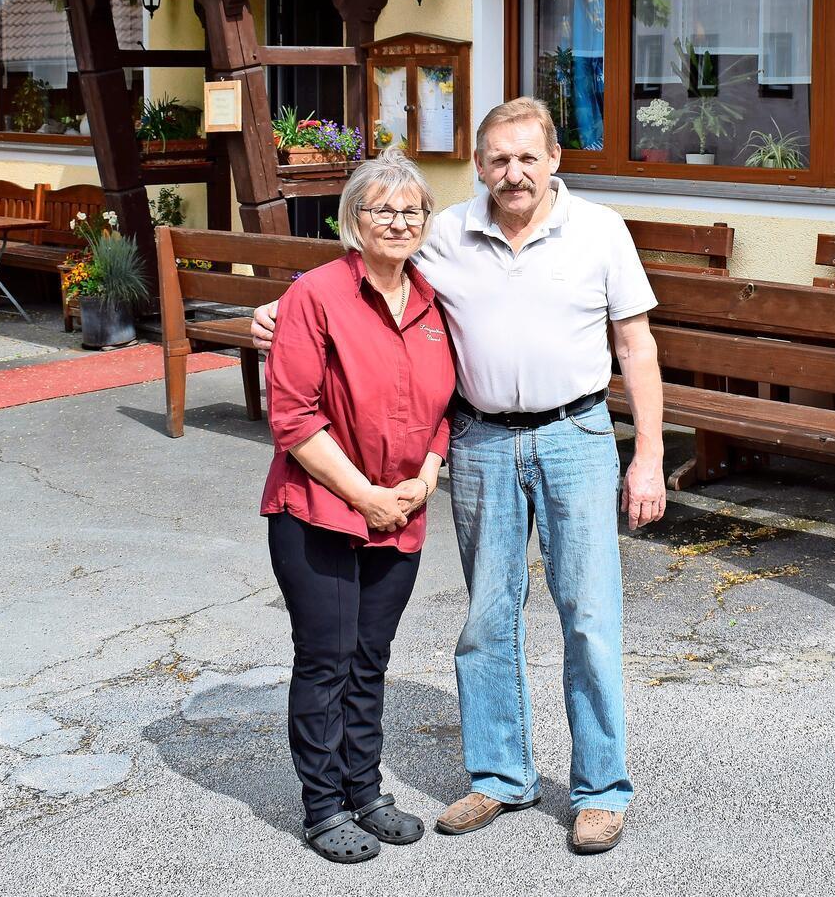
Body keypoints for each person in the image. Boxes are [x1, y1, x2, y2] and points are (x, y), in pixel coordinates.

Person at [254, 97, 665, 855]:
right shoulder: (446, 232)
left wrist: (649, 455)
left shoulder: (601, 230)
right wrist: (275, 310)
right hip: (480, 442)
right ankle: (501, 776)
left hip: (576, 434)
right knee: (487, 620)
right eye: (499, 159)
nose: (514, 172)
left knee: (590, 618)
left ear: (555, 161)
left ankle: (600, 788)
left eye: (528, 157)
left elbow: (636, 347)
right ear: (478, 166)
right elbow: (362, 265)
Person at [261, 152, 455, 865]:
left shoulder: (435, 303)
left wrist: (427, 477)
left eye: (412, 211)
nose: (399, 222)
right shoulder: (316, 295)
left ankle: (363, 791)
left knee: (371, 659)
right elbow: (294, 417)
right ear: (353, 221)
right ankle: (321, 808)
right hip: (317, 510)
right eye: (383, 210)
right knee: (326, 661)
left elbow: (445, 410)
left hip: (401, 513)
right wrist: (365, 495)